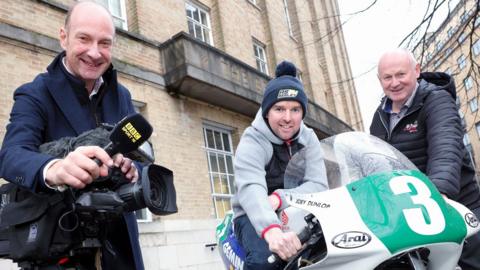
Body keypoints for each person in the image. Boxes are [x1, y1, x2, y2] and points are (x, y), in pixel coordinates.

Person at [0, 1, 143, 269]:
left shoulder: (122, 96)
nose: (94, 52)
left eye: (104, 43)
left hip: (122, 252)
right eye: (84, 39)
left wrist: (133, 168)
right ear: (63, 38)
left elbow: (141, 157)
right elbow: (11, 155)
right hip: (61, 253)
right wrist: (54, 169)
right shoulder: (35, 93)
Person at [370, 48, 480, 269]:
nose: (394, 83)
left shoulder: (436, 100)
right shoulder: (379, 116)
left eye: (401, 74)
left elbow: (445, 146)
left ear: (417, 70)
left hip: (456, 207)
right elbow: (374, 162)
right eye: (387, 77)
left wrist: (437, 194)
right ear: (380, 80)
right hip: (415, 217)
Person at [232, 61, 329, 269]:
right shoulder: (253, 140)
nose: (287, 118)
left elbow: (319, 185)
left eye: (295, 109)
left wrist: (279, 198)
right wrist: (272, 230)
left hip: (297, 208)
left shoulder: (309, 138)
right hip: (251, 215)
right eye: (279, 109)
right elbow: (251, 188)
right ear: (267, 111)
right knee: (266, 261)